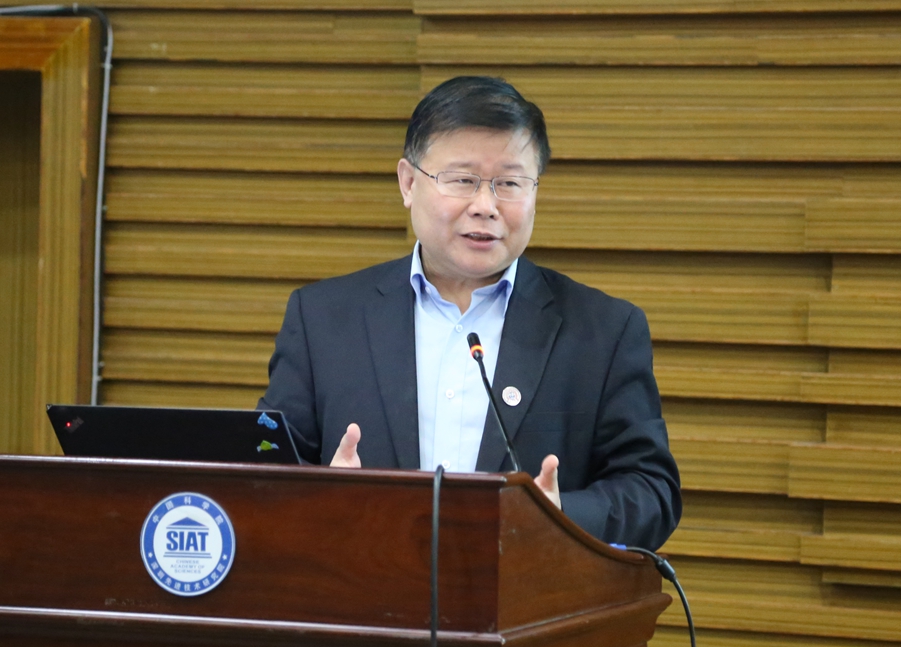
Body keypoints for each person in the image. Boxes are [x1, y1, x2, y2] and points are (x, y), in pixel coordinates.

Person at [258, 76, 681, 550]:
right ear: (408, 183)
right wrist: (318, 496)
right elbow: (263, 463)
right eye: (462, 180)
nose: (486, 206)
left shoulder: (603, 331)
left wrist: (558, 516)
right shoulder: (322, 319)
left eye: (510, 184)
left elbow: (652, 492)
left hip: (528, 590)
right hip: (362, 584)